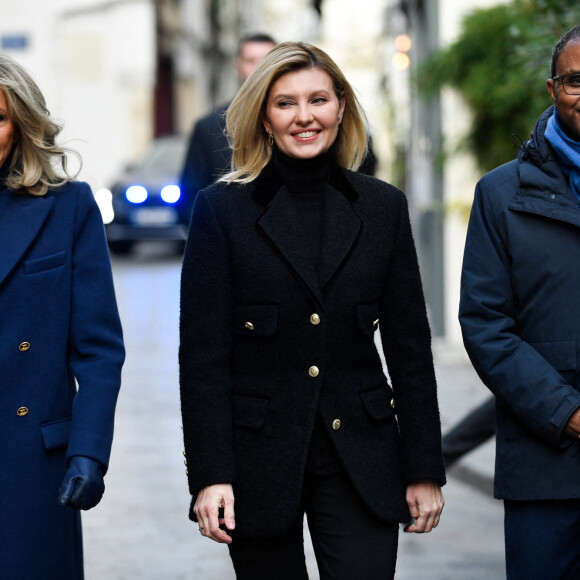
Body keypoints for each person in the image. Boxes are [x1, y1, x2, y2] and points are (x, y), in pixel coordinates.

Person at [179, 41, 445, 580]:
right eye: (285, 103)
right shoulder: (221, 211)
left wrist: (424, 470)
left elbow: (410, 349)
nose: (304, 117)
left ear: (341, 107)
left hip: (363, 455)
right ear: (264, 115)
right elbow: (203, 361)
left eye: (318, 99)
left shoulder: (382, 207)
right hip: (258, 459)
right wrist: (211, 475)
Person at [459, 25, 580, 579]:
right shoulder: (500, 195)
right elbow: (486, 324)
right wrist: (566, 412)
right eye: (577, 81)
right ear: (553, 88)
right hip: (544, 462)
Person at [0, 54, 124, 580]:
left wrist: (88, 454)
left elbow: (98, 349)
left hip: (31, 461)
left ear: (20, 126)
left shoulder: (68, 208)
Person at [178, 33, 276, 219]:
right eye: (250, 60)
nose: (258, 68)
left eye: (266, 60)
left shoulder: (296, 121)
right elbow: (189, 198)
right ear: (238, 65)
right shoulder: (209, 127)